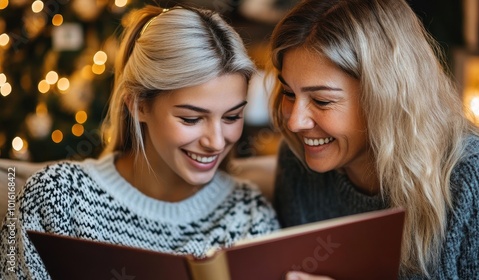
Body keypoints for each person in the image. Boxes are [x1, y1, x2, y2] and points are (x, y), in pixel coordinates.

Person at [0, 5, 279, 279]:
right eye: (191, 119)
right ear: (138, 105)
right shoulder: (56, 197)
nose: (216, 142)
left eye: (232, 117)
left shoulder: (249, 215)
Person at [267, 0, 479, 279]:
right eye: (289, 93)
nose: (294, 122)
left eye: (321, 100)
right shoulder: (296, 160)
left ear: (385, 99)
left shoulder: (471, 176)